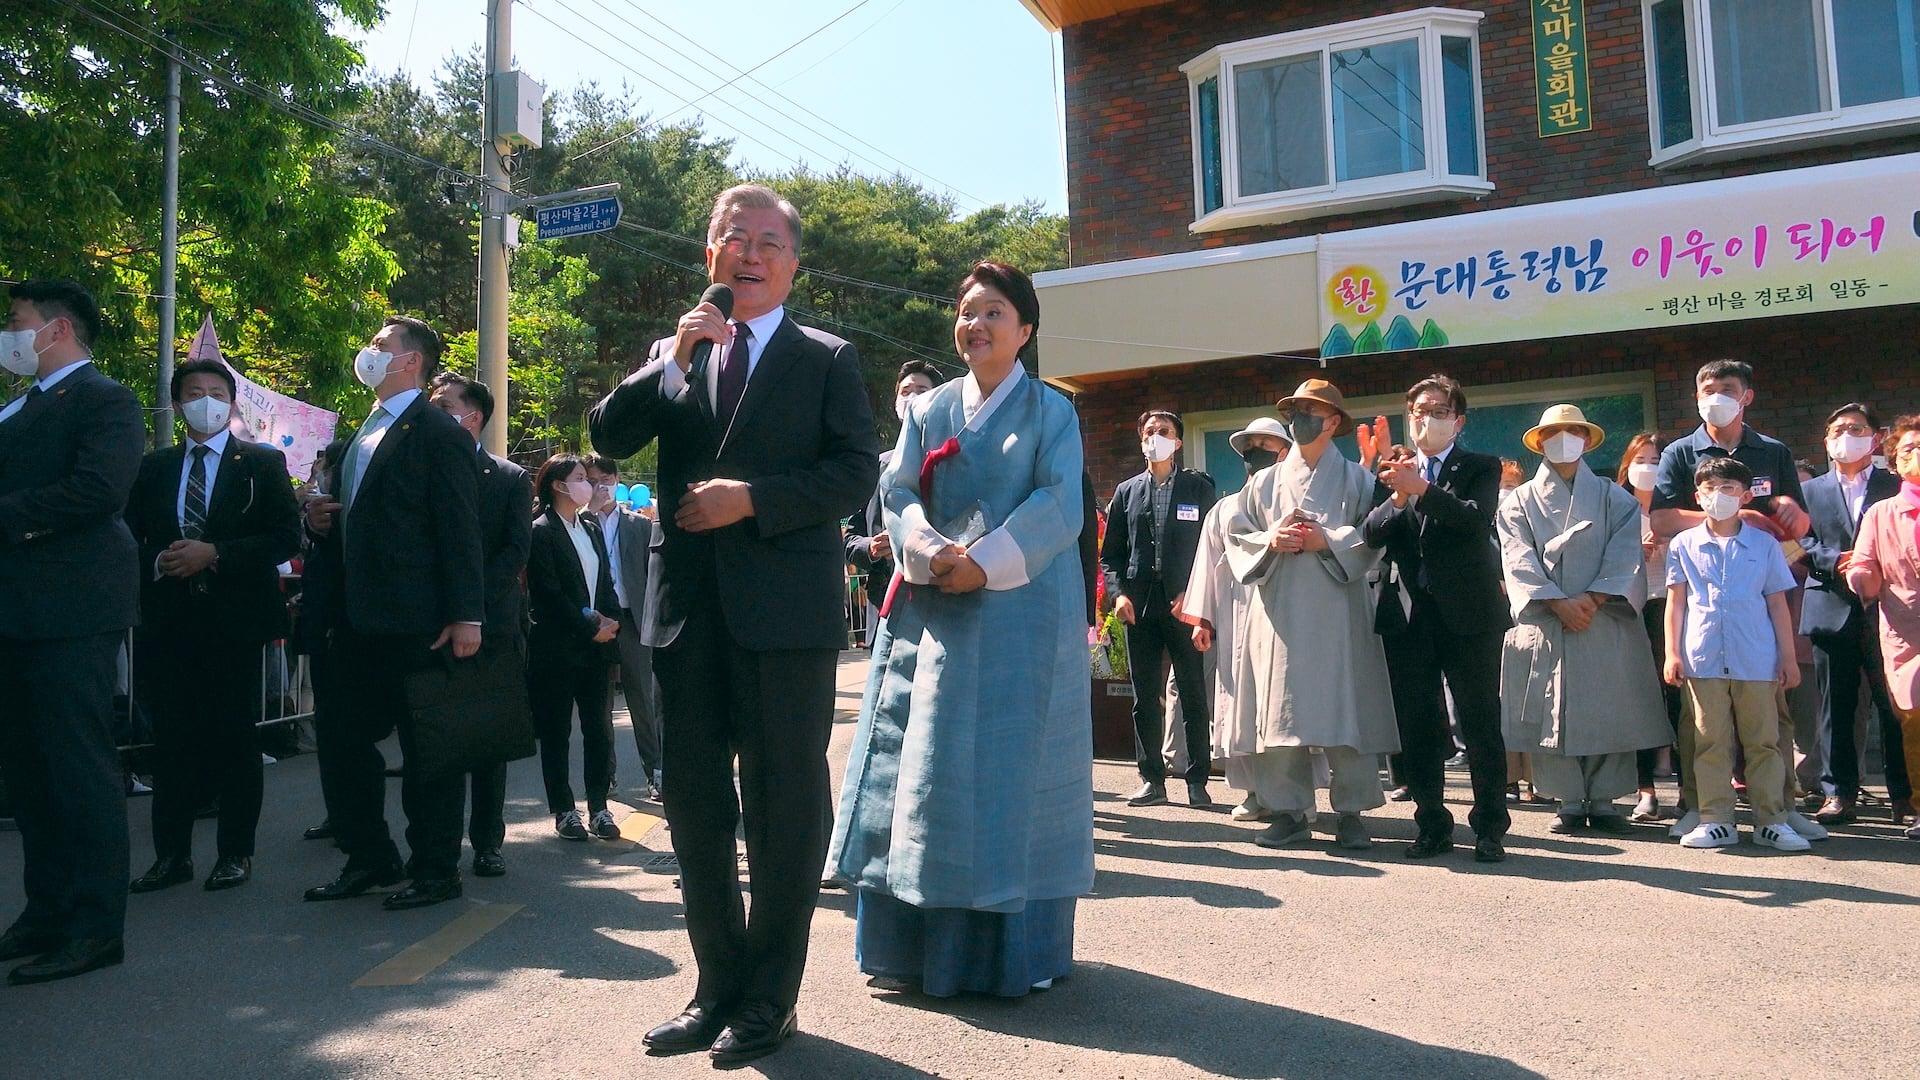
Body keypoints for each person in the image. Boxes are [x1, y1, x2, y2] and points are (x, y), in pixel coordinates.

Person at [588, 184, 879, 1063]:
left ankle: (770, 998)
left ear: (792, 263)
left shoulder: (826, 357)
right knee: (696, 804)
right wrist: (669, 356)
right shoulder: (675, 355)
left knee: (786, 808)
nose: (748, 254)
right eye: (731, 238)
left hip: (785, 619)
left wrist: (753, 499)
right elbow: (606, 433)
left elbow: (854, 474)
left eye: (767, 242)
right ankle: (715, 987)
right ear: (708, 254)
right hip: (689, 616)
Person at [830, 260, 1090, 998]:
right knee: (924, 775)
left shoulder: (1052, 411)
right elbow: (898, 491)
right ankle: (911, 950)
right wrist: (927, 548)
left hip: (1020, 614)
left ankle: (1016, 953)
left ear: (1026, 330)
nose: (976, 325)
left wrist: (988, 560)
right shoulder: (927, 409)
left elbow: (1058, 503)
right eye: (968, 312)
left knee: (1016, 775)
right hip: (934, 610)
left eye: (995, 313)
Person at [301, 316, 486, 911]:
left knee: (427, 750)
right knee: (342, 740)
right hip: (352, 620)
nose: (369, 353)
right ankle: (369, 857)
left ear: (412, 362)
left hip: (419, 622)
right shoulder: (361, 434)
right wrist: (321, 520)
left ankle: (434, 868)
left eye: (382, 346)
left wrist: (466, 614)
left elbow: (460, 530)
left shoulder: (439, 433)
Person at [0, 279, 142, 985]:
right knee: (29, 772)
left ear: (55, 330)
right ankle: (46, 909)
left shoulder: (104, 399)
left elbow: (98, 491)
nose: (9, 331)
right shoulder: (18, 406)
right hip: (18, 611)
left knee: (77, 766)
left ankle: (94, 926)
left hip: (70, 608)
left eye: (16, 320)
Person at [124, 358, 301, 894]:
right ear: (178, 404)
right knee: (172, 743)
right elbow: (131, 536)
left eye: (217, 391)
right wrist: (161, 562)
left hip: (236, 625)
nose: (206, 399)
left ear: (231, 402)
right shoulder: (154, 467)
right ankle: (171, 855)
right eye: (195, 391)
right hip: (172, 625)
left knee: (235, 739)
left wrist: (216, 553)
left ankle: (235, 853)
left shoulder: (262, 464)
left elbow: (285, 537)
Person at [1650, 360, 1825, 843]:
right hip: (1705, 597)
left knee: (1772, 714)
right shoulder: (1681, 452)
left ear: (1746, 395)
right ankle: (1701, 807)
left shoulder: (1772, 451)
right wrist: (1733, 513)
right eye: (1706, 388)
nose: (1715, 396)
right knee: (1702, 723)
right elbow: (1663, 520)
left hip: (1766, 590)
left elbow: (1796, 524)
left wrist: (1783, 517)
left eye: (1726, 389)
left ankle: (1779, 809)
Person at [1224, 379, 1398, 851]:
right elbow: (1238, 535)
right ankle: (1288, 810)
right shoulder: (1262, 483)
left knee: (1347, 710)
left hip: (1339, 608)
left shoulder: (1360, 481)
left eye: (1311, 410)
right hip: (1280, 610)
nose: (1300, 418)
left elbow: (1375, 537)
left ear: (1334, 420)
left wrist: (1330, 541)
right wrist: (1271, 540)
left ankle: (1352, 811)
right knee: (1281, 710)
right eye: (1296, 410)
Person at [1499, 407, 1673, 833]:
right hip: (1549, 618)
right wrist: (1557, 602)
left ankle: (1605, 798)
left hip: (1603, 616)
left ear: (1587, 440)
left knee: (1608, 702)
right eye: (1555, 432)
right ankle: (1568, 799)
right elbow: (1516, 557)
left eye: (1573, 431)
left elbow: (1625, 554)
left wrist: (1592, 599)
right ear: (1540, 441)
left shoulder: (1618, 499)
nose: (1564, 438)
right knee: (1551, 705)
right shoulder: (1517, 501)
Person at [1364, 375, 1511, 862]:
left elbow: (1474, 519)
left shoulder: (1480, 466)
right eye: (1421, 410)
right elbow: (1372, 532)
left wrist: (1422, 488)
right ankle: (1431, 822)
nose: (1429, 419)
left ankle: (1490, 824)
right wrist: (1399, 495)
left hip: (1470, 615)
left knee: (1479, 720)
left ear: (1459, 420)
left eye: (1440, 411)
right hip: (1408, 616)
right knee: (1418, 723)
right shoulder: (1394, 471)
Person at [1663, 457, 1808, 851]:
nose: (1719, 496)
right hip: (1703, 656)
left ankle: (1771, 820)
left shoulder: (1764, 544)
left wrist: (1788, 657)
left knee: (1763, 741)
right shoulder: (1684, 544)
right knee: (1710, 739)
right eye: (1710, 489)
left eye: (1728, 489)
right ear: (1697, 496)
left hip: (1757, 658)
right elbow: (1676, 603)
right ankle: (1715, 818)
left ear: (1745, 496)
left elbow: (1778, 603)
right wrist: (1671, 653)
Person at [428, 372, 532, 876]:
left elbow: (513, 551)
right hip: (428, 628)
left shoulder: (509, 478)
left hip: (490, 626)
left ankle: (488, 841)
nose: (434, 410)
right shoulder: (417, 469)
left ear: (473, 417)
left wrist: (467, 608)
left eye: (444, 404)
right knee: (435, 739)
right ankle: (435, 849)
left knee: (487, 741)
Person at [1102, 410, 1218, 808]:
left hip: (1184, 605)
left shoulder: (1198, 488)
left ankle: (1197, 779)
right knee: (1144, 696)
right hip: (1139, 606)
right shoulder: (1126, 491)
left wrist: (1195, 593)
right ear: (1141, 442)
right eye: (1150, 432)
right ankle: (1152, 778)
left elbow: (1210, 547)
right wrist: (1118, 595)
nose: (1156, 437)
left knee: (1192, 693)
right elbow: (1111, 555)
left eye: (1164, 432)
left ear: (1178, 442)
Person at [1802, 404, 1906, 826]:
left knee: (1895, 704)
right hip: (1831, 605)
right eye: (1838, 430)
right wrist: (1834, 560)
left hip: (1889, 610)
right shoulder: (1809, 490)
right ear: (1826, 442)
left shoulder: (1895, 486)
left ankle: (1905, 794)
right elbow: (1795, 542)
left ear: (1875, 438)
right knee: (1835, 707)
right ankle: (1838, 793)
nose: (1846, 436)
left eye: (1856, 428)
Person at [1182, 417, 1290, 822]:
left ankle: (1296, 796)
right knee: (1240, 705)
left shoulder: (1295, 502)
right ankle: (1251, 791)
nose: (1254, 453)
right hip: (1236, 621)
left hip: (1284, 618)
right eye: (1250, 446)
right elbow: (1207, 565)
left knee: (1283, 704)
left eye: (1264, 444)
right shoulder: (1225, 509)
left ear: (1284, 450)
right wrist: (1202, 620)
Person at [525, 455, 622, 841]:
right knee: (556, 731)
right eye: (581, 478)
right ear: (559, 485)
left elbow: (605, 584)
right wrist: (588, 627)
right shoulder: (541, 531)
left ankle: (599, 806)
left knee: (599, 728)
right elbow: (548, 594)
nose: (590, 485)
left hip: (597, 650)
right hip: (558, 649)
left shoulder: (591, 528)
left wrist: (610, 621)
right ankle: (564, 809)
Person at [1840, 416, 1920, 839]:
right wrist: (1859, 575)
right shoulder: (1881, 513)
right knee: (1914, 720)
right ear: (1893, 461)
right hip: (1907, 631)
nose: (1917, 456)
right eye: (1908, 450)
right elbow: (1866, 567)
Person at [583, 455, 663, 804]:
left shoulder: (638, 524)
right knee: (600, 703)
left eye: (604, 479)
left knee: (642, 697)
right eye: (591, 480)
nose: (599, 486)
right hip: (595, 621)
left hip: (633, 620)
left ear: (616, 479)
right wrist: (588, 511)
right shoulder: (581, 523)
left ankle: (656, 771)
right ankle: (607, 775)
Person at [846, 360, 944, 641]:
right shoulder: (876, 467)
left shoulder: (953, 459)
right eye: (905, 391)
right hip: (886, 609)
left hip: (942, 609)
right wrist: (871, 548)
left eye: (922, 389)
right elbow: (849, 538)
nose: (912, 396)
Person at [1621, 433, 1685, 822]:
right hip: (1633, 608)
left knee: (1678, 700)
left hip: (1674, 607)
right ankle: (1644, 789)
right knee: (1640, 700)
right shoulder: (1618, 506)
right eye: (1640, 458)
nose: (1648, 466)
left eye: (1655, 459)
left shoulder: (1677, 508)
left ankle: (1686, 788)